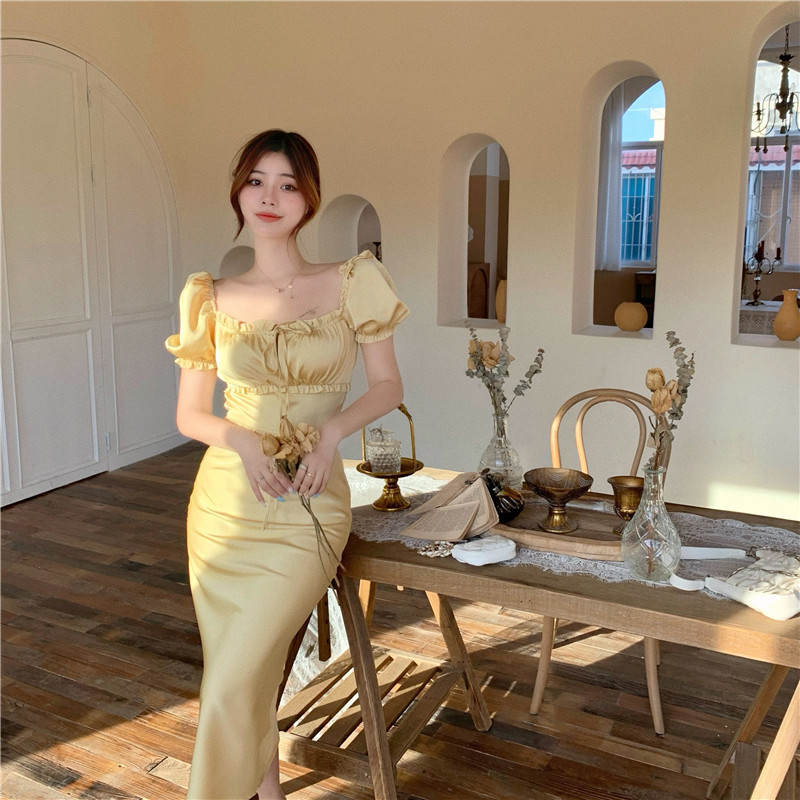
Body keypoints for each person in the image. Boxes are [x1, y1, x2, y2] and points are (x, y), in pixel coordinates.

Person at [165, 129, 408, 800]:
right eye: (256, 181)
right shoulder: (208, 295)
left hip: (309, 500)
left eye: (287, 184)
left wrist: (331, 434)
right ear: (238, 194)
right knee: (244, 670)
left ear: (309, 200)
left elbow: (388, 386)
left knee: (238, 673)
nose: (269, 196)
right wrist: (242, 441)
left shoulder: (353, 281)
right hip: (226, 507)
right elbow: (190, 415)